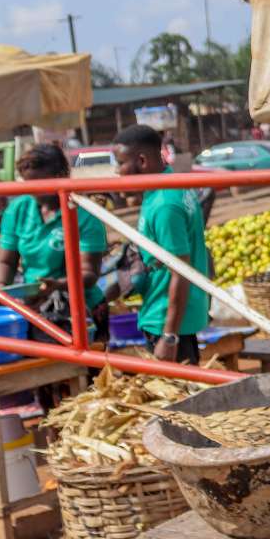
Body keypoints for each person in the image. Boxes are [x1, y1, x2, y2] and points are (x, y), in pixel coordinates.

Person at [111, 124, 211, 363]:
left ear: (142, 161)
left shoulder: (165, 205)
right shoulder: (167, 186)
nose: (117, 171)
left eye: (121, 163)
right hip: (170, 310)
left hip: (167, 316)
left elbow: (180, 271)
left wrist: (169, 337)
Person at [0, 145, 107, 333]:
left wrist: (58, 285)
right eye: (30, 184)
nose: (36, 191)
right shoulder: (18, 209)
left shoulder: (85, 215)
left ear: (60, 175)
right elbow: (6, 261)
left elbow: (89, 274)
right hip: (33, 304)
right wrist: (1, 289)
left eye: (41, 183)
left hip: (79, 309)